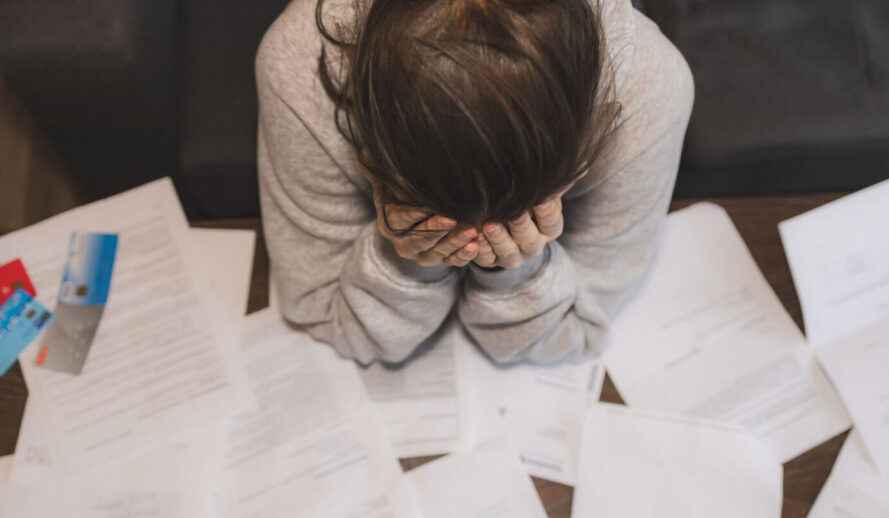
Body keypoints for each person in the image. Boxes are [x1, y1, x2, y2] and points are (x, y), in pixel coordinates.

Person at [257, 0, 693, 364]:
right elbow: (321, 311)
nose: (477, 238)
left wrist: (517, 269)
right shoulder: (296, 65)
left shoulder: (649, 90)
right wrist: (401, 259)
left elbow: (577, 331)